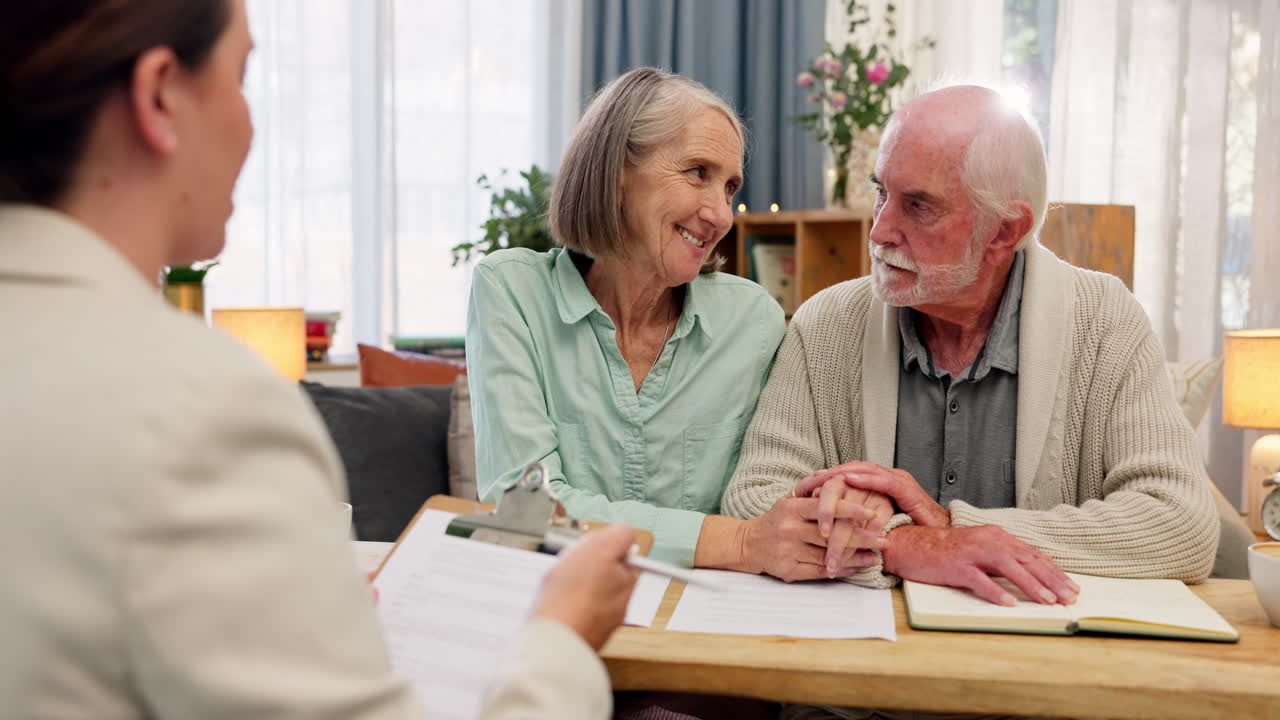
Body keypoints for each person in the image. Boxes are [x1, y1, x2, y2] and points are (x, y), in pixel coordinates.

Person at [0, 2, 638, 718]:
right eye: (242, 76)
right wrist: (559, 635)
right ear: (158, 97)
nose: (251, 122)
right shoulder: (204, 412)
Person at [722, 83, 1219, 612]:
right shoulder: (826, 323)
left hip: (1038, 678)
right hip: (855, 682)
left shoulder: (1103, 320)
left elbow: (1180, 524)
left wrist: (953, 527)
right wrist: (911, 543)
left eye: (918, 206)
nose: (881, 228)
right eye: (881, 191)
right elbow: (754, 501)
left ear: (1005, 230)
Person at [467, 67, 888, 584]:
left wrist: (838, 499)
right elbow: (526, 508)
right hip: (552, 603)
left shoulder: (752, 319)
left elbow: (774, 485)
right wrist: (738, 541)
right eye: (697, 173)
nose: (721, 214)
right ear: (616, 169)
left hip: (711, 614)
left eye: (730, 186)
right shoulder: (511, 292)